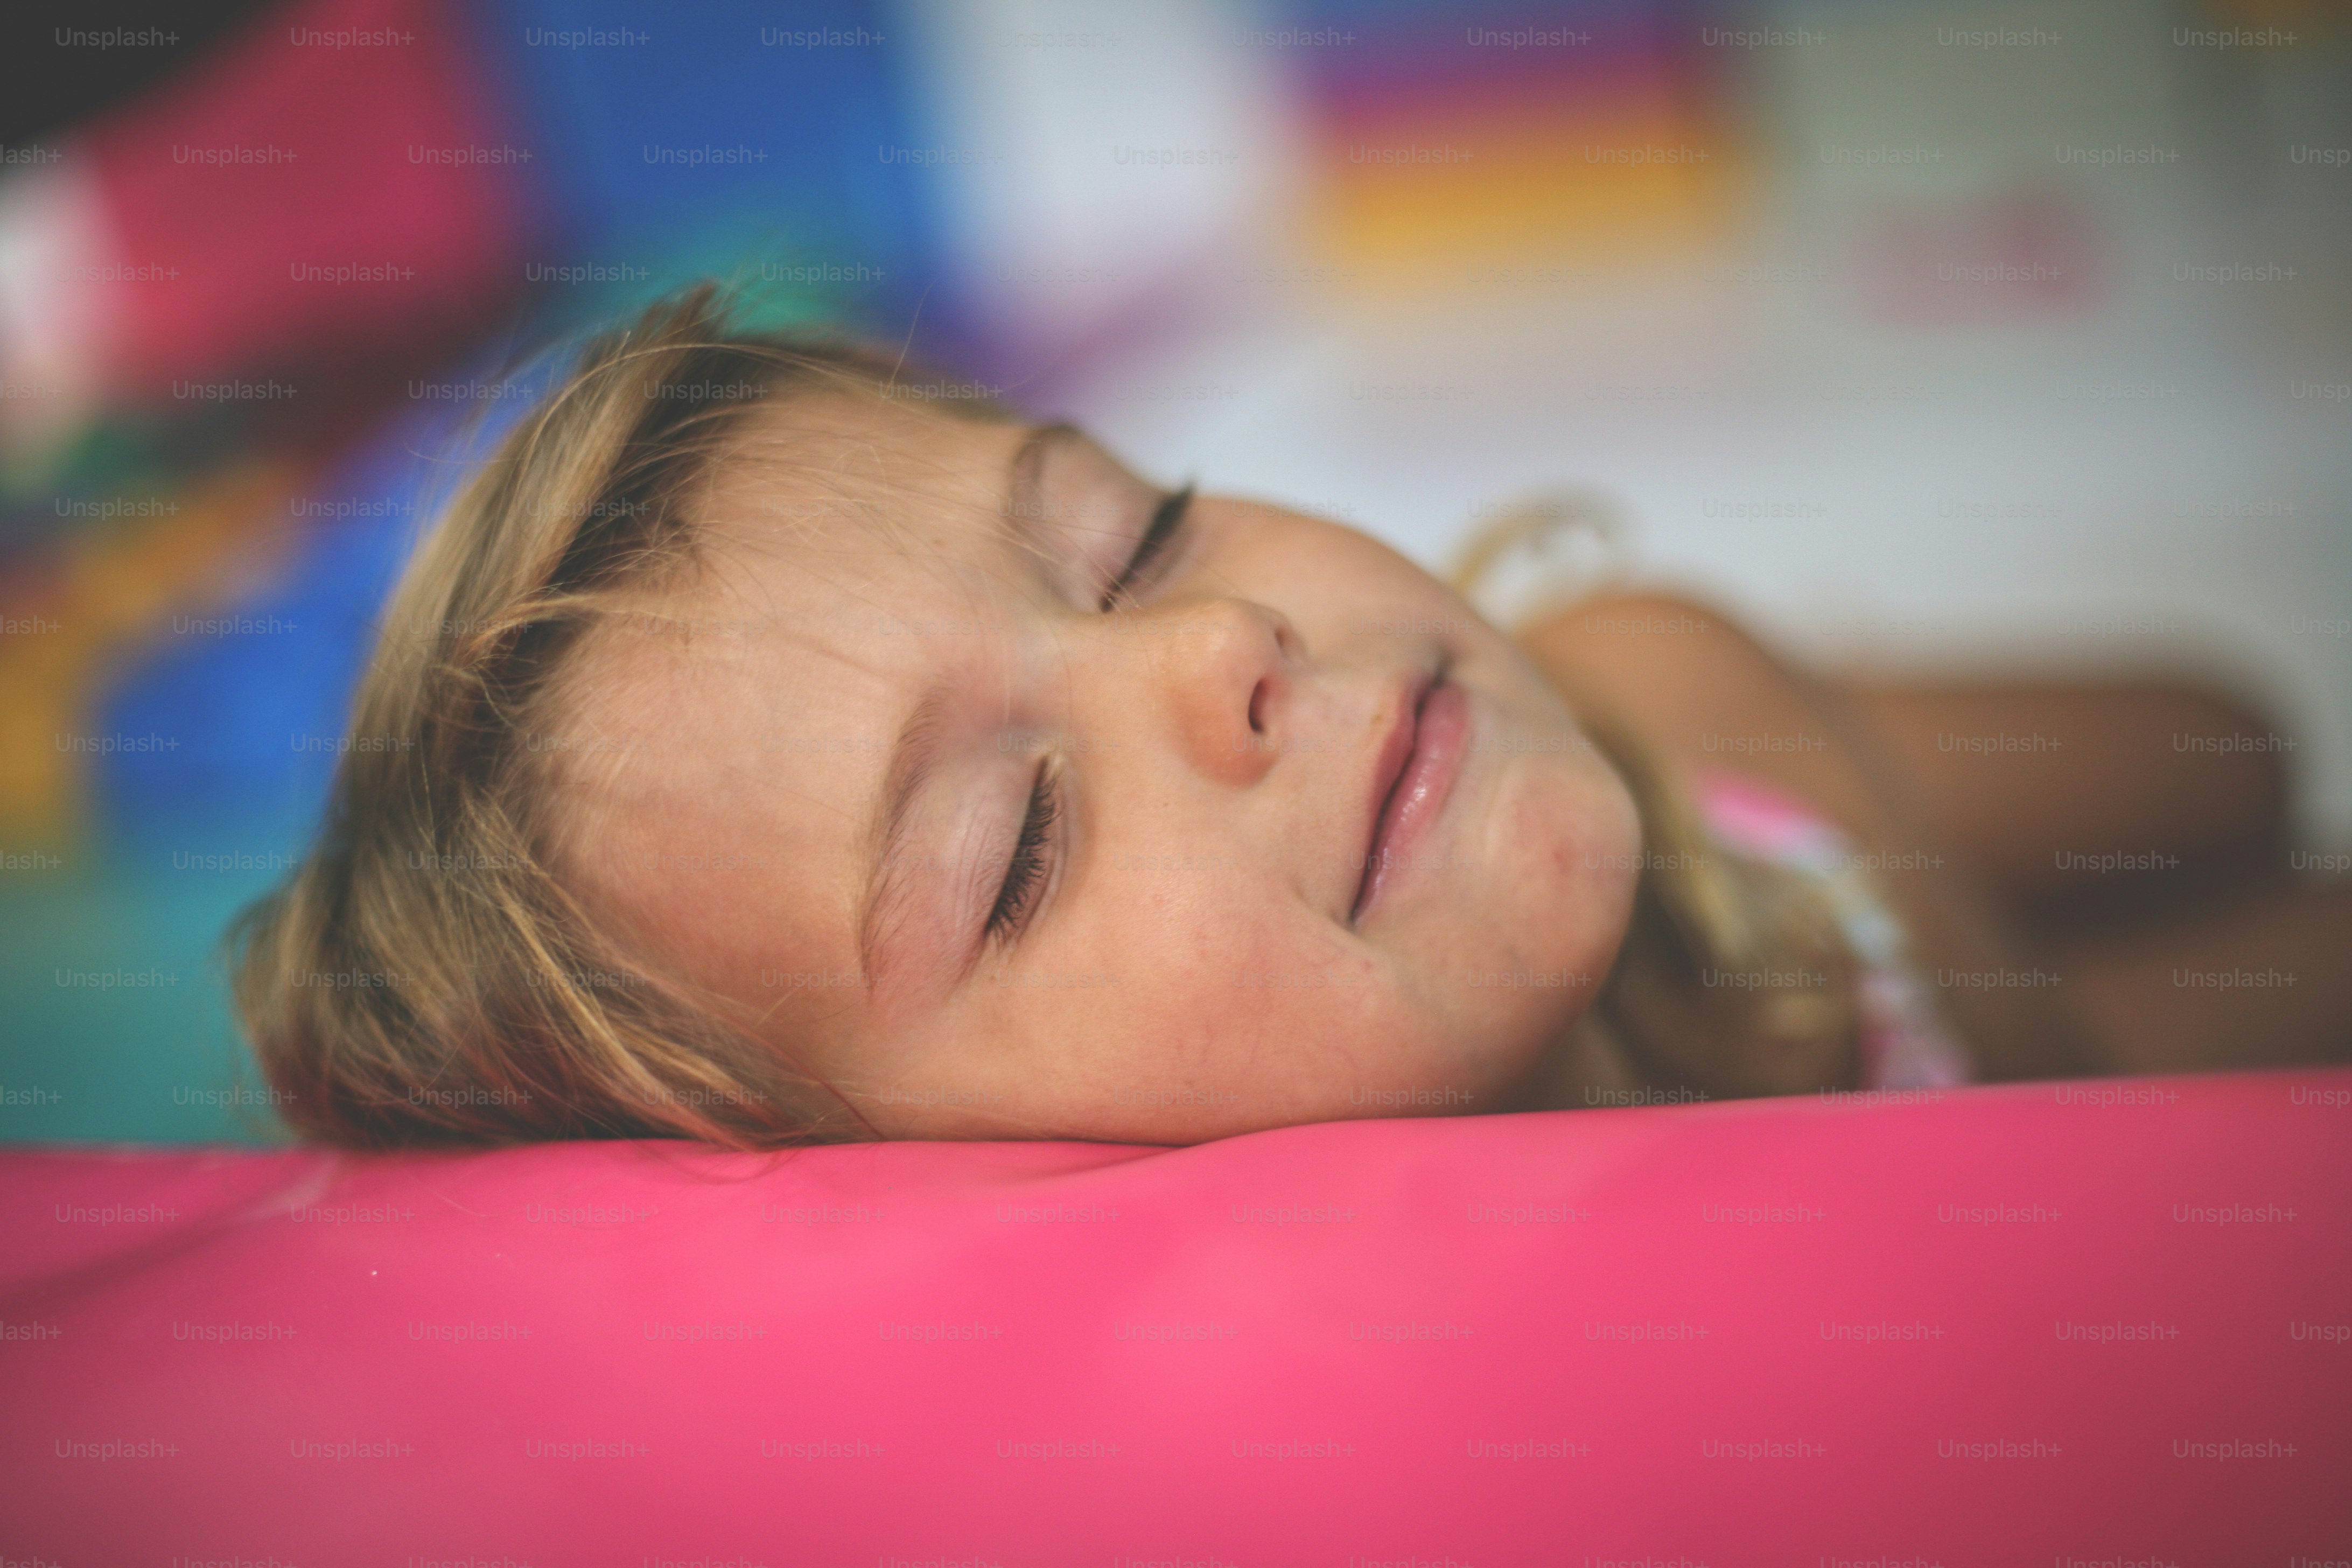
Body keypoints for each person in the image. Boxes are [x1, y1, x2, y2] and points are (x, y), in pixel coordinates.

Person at [232, 286, 2351, 1150]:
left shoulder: (1674, 689)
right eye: (1019, 846)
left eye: (1131, 532)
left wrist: (1833, 786)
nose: (1219, 641)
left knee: (2233, 751)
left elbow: (2086, 1072)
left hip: (1736, 811)